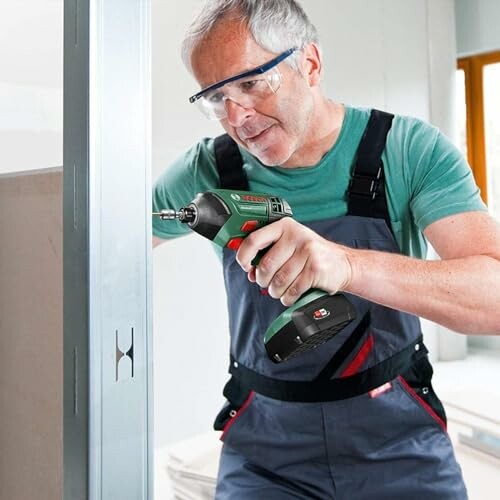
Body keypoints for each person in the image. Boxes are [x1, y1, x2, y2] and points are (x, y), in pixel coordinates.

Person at [153, 0, 500, 498]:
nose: (236, 115)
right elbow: (100, 244)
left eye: (250, 83)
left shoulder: (406, 150)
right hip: (264, 453)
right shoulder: (206, 171)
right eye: (216, 97)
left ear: (309, 64)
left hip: (399, 442)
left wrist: (347, 265)